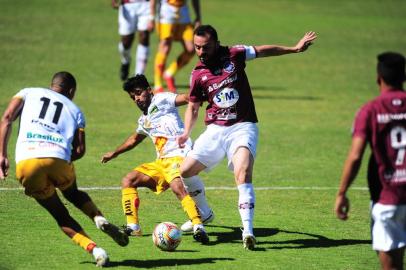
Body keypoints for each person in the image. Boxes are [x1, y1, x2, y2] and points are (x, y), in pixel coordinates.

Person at [176, 25, 317, 250]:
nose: (201, 52)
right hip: (215, 130)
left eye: (205, 47)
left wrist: (293, 49)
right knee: (185, 172)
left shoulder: (234, 54)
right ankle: (204, 212)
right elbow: (193, 107)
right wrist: (186, 133)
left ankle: (248, 231)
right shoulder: (197, 73)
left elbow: (263, 50)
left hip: (242, 126)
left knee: (243, 173)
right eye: (197, 47)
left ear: (216, 43)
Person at [0, 72, 129, 267]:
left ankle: (96, 250)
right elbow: (80, 150)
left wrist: (2, 154)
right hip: (58, 158)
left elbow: (7, 118)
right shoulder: (75, 110)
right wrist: (63, 158)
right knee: (73, 193)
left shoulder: (27, 93)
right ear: (71, 91)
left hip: (27, 162)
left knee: (61, 215)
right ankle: (98, 218)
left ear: (52, 85)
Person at [100, 74, 212, 243]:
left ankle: (199, 227)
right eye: (133, 97)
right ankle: (132, 226)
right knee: (128, 180)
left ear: (148, 90)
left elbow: (184, 98)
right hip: (161, 162)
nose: (137, 99)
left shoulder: (162, 100)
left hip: (180, 156)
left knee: (177, 186)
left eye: (138, 93)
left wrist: (201, 94)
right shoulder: (143, 120)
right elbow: (134, 139)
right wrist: (115, 153)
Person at [335, 52, 406, 270]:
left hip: (389, 197)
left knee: (392, 265)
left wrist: (342, 193)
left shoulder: (370, 110)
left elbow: (356, 155)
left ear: (378, 79)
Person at [150, 0, 201, 93]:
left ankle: (169, 73)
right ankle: (158, 85)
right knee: (165, 47)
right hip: (166, 11)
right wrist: (151, 17)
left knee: (191, 49)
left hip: (183, 12)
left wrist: (198, 16)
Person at [112, 0, 154, 81]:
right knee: (126, 41)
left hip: (146, 4)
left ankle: (138, 76)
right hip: (128, 5)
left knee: (144, 36)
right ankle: (125, 60)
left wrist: (152, 17)